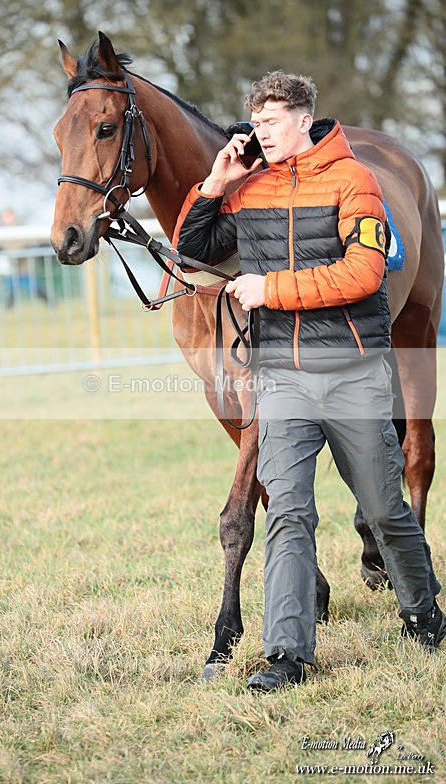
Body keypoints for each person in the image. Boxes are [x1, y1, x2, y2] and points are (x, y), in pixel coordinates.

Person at [173, 71, 444, 692]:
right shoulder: (250, 187)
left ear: (302, 120)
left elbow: (364, 273)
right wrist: (215, 184)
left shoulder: (356, 182)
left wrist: (270, 289)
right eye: (255, 123)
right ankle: (288, 653)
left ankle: (423, 610)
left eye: (269, 123)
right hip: (281, 380)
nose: (259, 133)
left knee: (383, 508)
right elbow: (195, 248)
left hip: (351, 374)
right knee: (289, 513)